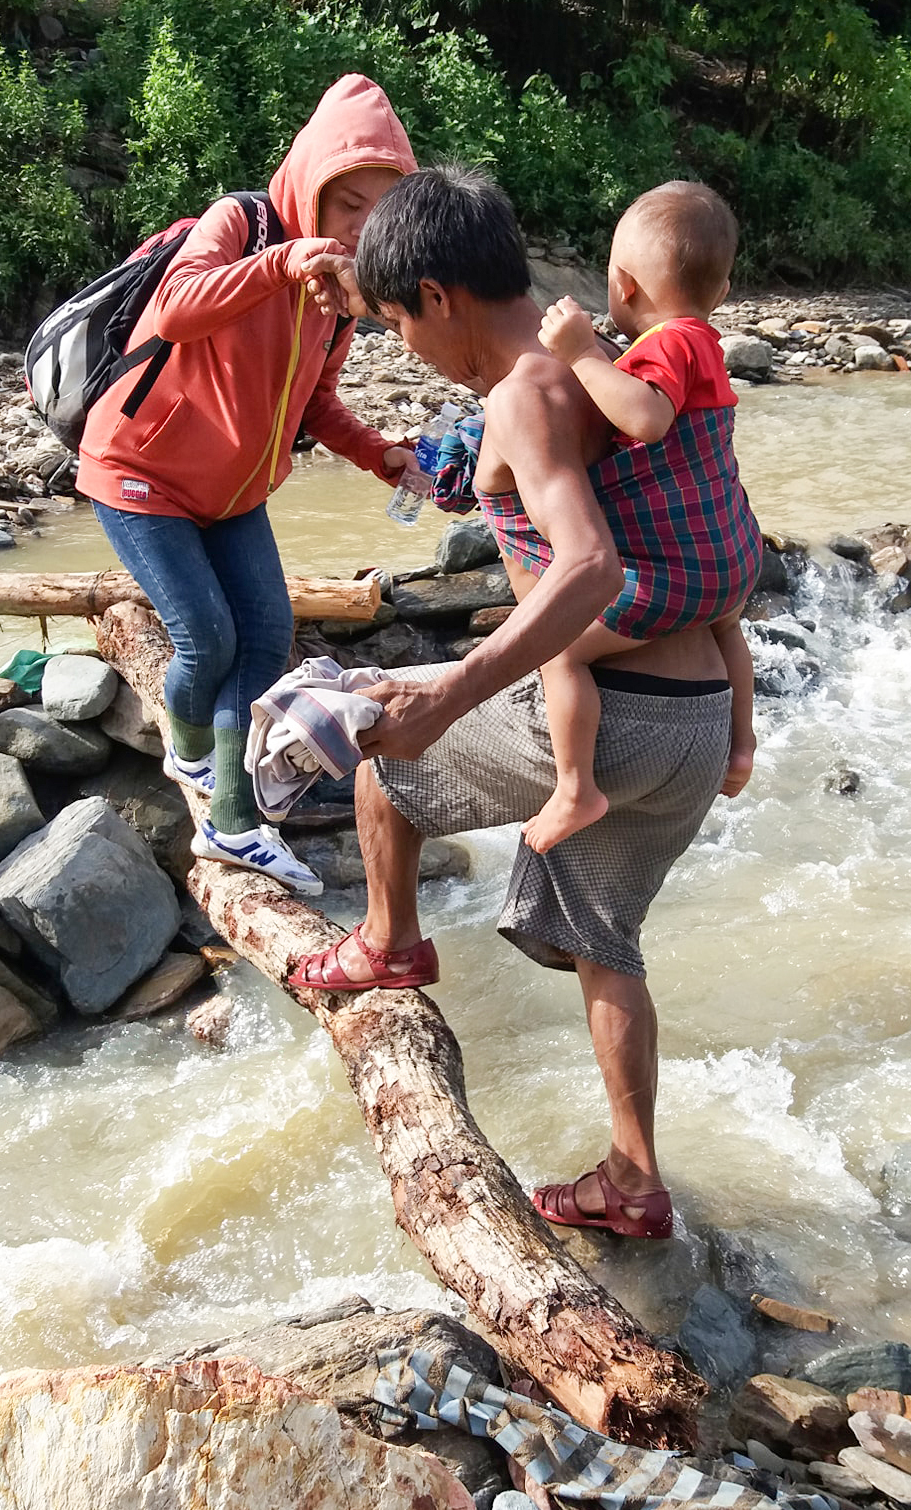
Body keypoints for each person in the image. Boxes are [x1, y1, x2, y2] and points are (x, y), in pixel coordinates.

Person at [290, 166, 752, 1242]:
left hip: (615, 705)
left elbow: (586, 567)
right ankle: (633, 1179)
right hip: (688, 721)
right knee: (610, 945)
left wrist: (448, 692)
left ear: (441, 297)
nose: (405, 342)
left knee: (381, 755)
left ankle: (389, 940)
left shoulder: (532, 390)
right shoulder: (590, 363)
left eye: (399, 318)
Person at [78, 74, 417, 895]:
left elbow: (317, 402)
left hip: (232, 493)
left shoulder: (335, 297)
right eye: (348, 205)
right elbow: (178, 307)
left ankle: (228, 808)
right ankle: (203, 771)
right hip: (138, 468)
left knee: (264, 640)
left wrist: (383, 456)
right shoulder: (245, 224)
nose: (360, 227)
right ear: (310, 184)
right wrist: (280, 262)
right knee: (205, 638)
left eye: (380, 210)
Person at [523, 181, 761, 852]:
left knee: (559, 648)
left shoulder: (667, 344)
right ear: (721, 288)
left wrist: (578, 353)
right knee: (726, 632)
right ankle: (740, 749)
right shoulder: (705, 342)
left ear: (622, 285)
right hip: (734, 561)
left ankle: (576, 787)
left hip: (678, 575)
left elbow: (647, 417)